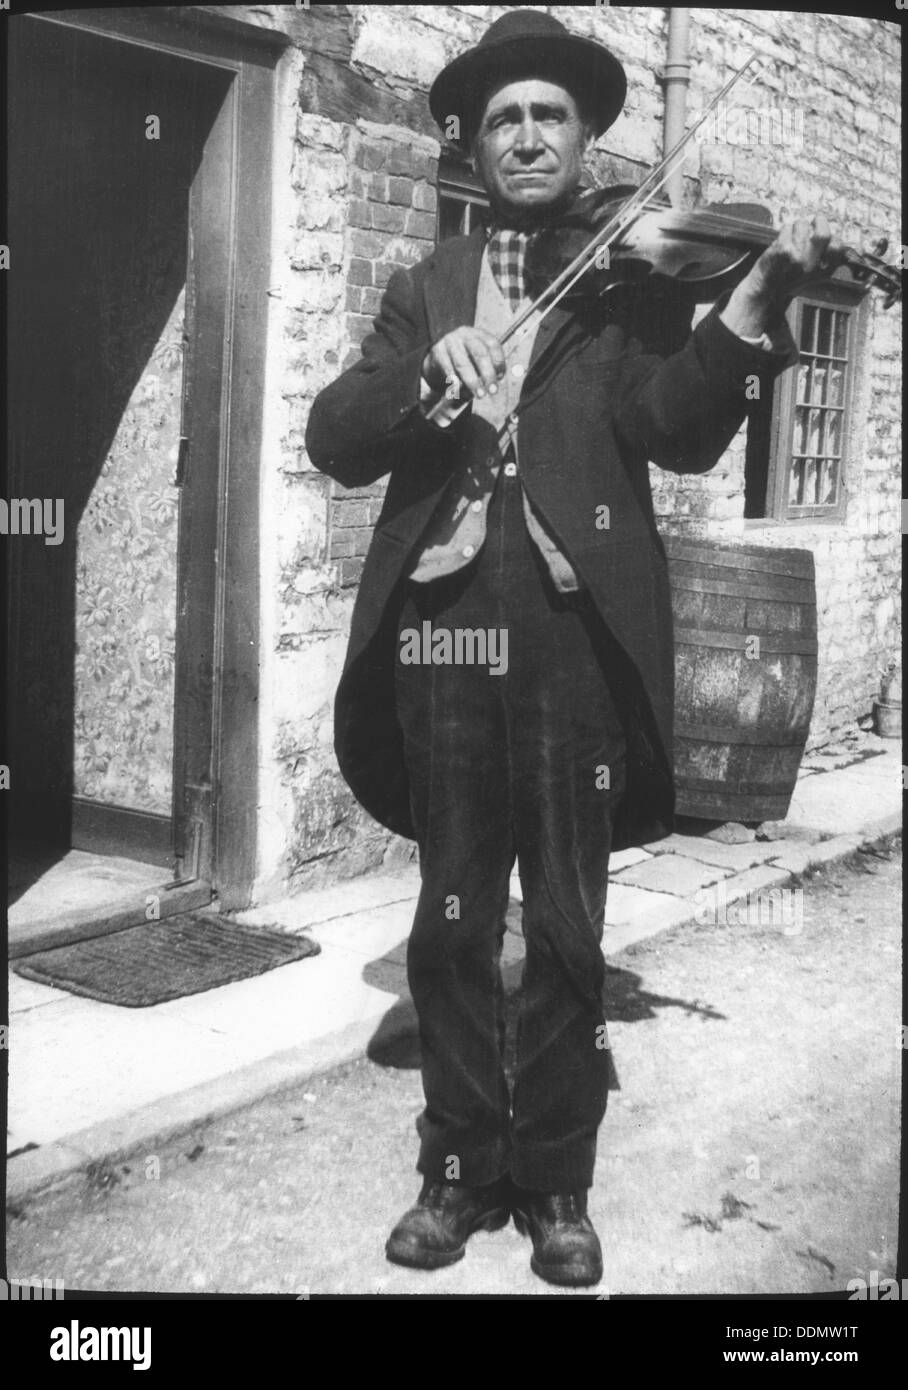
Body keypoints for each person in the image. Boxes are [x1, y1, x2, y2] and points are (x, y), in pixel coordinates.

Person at [305, 9, 839, 1286]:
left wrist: (747, 310)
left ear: (586, 134)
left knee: (562, 923)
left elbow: (677, 430)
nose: (528, 135)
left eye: (550, 114)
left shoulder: (636, 282)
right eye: (504, 118)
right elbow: (336, 432)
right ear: (476, 146)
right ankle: (454, 1172)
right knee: (446, 922)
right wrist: (424, 379)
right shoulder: (421, 287)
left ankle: (552, 1184)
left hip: (571, 646)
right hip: (441, 640)